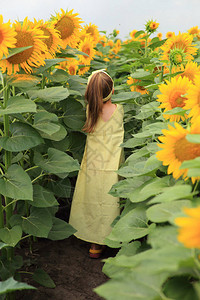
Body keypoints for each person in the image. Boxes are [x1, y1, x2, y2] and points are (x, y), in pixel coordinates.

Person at [69, 69, 124, 258]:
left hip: (93, 164)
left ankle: (94, 243)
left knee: (92, 199)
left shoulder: (90, 110)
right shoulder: (119, 110)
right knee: (110, 200)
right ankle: (110, 238)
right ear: (112, 92)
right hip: (111, 164)